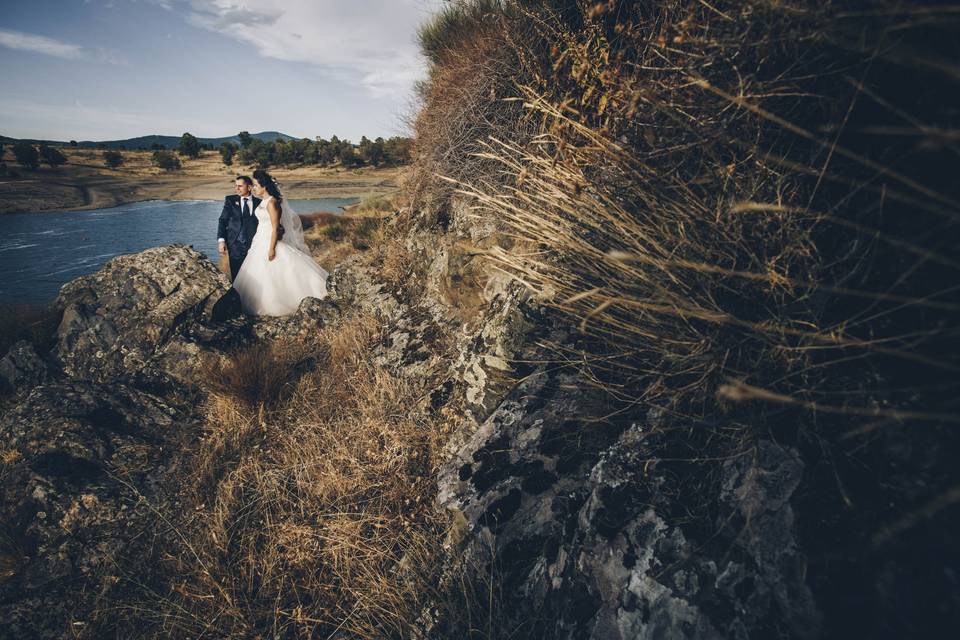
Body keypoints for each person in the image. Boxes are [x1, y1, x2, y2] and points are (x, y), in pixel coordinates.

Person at [232, 169, 329, 316]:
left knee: (281, 271)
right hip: (260, 241)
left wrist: (271, 249)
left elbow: (276, 228)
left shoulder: (272, 202)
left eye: (257, 185)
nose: (254, 188)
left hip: (270, 242)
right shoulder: (263, 202)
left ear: (264, 186)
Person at [217, 175, 261, 281]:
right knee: (236, 277)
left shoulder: (259, 203)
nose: (236, 189)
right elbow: (222, 220)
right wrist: (221, 240)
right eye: (235, 186)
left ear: (249, 187)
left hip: (254, 246)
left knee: (254, 277)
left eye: (240, 186)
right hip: (235, 245)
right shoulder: (230, 200)